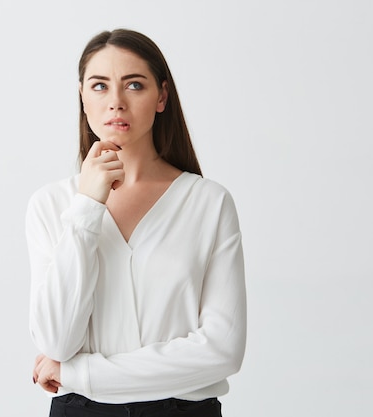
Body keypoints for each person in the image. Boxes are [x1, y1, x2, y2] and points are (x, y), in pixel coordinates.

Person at [26, 28, 247, 417]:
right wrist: (87, 207)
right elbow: (56, 341)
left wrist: (80, 373)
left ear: (161, 96)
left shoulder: (209, 203)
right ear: (82, 95)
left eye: (134, 85)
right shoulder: (52, 205)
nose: (115, 102)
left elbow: (221, 351)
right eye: (99, 86)